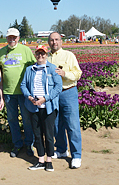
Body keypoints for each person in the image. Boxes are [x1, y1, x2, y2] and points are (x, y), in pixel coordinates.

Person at [20, 45, 62, 172]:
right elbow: (23, 85)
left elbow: (58, 87)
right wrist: (29, 97)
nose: (40, 56)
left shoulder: (53, 69)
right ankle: (40, 160)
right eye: (38, 53)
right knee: (37, 135)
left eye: (43, 54)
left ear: (46, 54)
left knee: (49, 135)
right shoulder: (29, 69)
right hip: (34, 107)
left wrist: (45, 98)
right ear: (35, 55)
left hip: (48, 107)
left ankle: (49, 161)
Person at [0, 28, 36, 157]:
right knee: (12, 119)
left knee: (27, 119)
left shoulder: (25, 50)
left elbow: (33, 66)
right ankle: (17, 144)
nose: (12, 39)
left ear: (18, 38)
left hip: (24, 92)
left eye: (14, 37)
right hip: (8, 92)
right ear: (6, 38)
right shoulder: (2, 52)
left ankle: (29, 144)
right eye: (9, 37)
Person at [47, 32, 83, 169]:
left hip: (68, 92)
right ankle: (61, 150)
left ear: (61, 41)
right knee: (56, 125)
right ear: (48, 42)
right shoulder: (47, 57)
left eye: (56, 40)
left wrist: (65, 74)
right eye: (51, 40)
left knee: (72, 125)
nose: (54, 42)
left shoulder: (69, 55)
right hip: (53, 95)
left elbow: (78, 73)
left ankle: (76, 156)